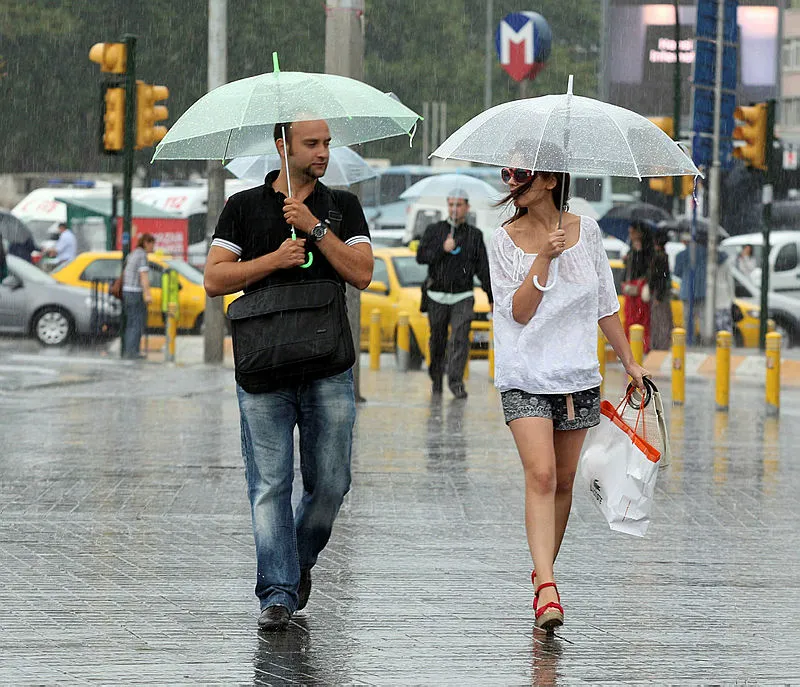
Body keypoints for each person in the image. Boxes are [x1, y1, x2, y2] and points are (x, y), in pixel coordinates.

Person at [203, 119, 373, 632]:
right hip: (264, 370)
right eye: (312, 144)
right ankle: (277, 593)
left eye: (326, 143)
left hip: (327, 368)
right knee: (269, 485)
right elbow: (214, 278)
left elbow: (362, 272)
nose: (323, 152)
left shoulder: (342, 205)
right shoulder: (243, 207)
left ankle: (296, 564)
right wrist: (273, 258)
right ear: (283, 147)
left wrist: (317, 228)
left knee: (332, 484)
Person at [488, 167, 648, 631]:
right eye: (507, 172)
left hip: (576, 376)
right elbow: (517, 312)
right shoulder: (503, 240)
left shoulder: (589, 231)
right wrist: (543, 258)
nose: (511, 180)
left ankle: (543, 572)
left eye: (521, 173)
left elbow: (605, 305)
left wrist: (629, 363)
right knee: (540, 475)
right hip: (523, 375)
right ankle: (547, 590)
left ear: (551, 181)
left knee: (563, 481)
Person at [416, 189, 492, 399]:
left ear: (467, 208)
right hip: (436, 296)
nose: (454, 209)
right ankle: (437, 378)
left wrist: (491, 297)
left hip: (463, 296)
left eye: (458, 205)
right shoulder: (434, 230)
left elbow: (483, 268)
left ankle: (456, 382)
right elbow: (421, 257)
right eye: (451, 204)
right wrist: (442, 248)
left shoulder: (474, 235)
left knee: (460, 338)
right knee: (438, 340)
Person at [121, 233, 155, 359]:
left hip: (127, 291)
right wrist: (147, 295)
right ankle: (133, 352)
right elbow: (144, 276)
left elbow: (125, 272)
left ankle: (128, 350)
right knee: (137, 323)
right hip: (135, 292)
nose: (153, 247)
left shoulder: (133, 253)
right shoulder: (142, 256)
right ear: (146, 242)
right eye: (152, 244)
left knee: (130, 322)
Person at [621, 220, 653, 353]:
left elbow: (645, 269)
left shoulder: (645, 250)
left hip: (639, 288)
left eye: (633, 232)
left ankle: (642, 345)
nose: (631, 234)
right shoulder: (631, 249)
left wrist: (638, 253)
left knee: (641, 318)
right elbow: (628, 270)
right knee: (629, 317)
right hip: (631, 288)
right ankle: (629, 344)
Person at [673, 232, 708, 342]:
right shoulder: (705, 252)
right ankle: (704, 340)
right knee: (702, 317)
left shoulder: (681, 255)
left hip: (687, 290)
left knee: (688, 318)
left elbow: (677, 272)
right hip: (702, 289)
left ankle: (690, 340)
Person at [649, 230, 673, 351]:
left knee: (659, 320)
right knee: (663, 320)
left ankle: (660, 344)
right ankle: (662, 344)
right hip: (662, 293)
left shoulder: (659, 257)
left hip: (659, 294)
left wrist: (658, 295)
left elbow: (659, 278)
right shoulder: (664, 256)